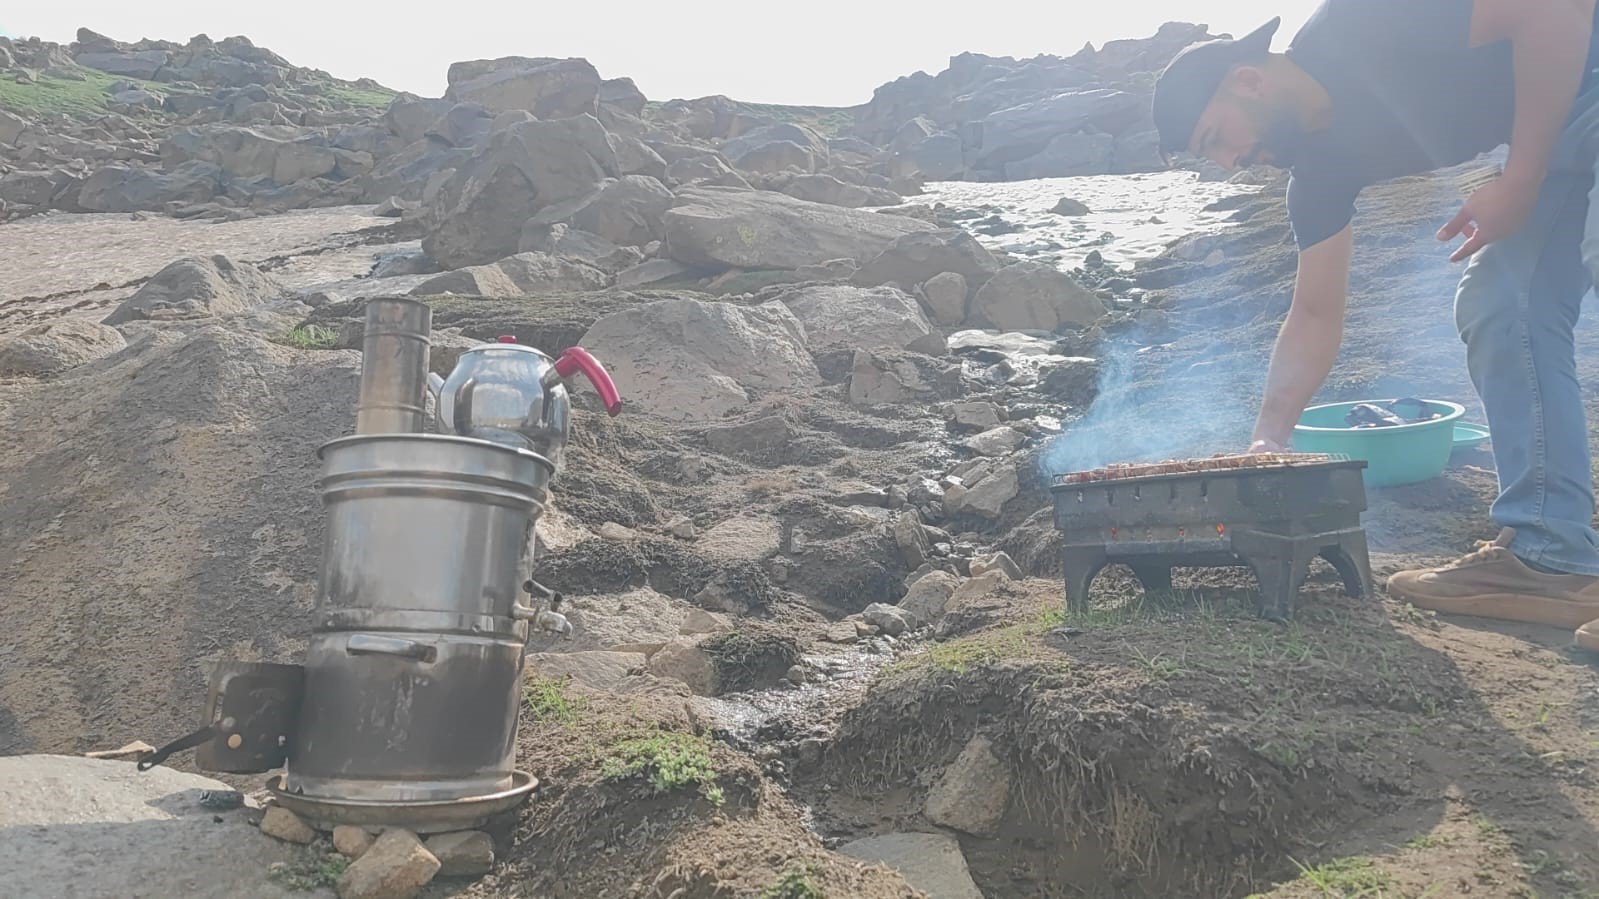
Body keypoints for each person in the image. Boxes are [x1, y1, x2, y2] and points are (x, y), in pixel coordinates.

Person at [1151, 0, 1599, 648]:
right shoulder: (1317, 175)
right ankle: (1550, 554)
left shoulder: (1361, 22)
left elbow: (1553, 10)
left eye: (1213, 139)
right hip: (1564, 123)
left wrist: (1521, 176)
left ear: (1246, 80)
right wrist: (1267, 440)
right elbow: (1312, 313)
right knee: (1501, 306)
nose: (1227, 161)